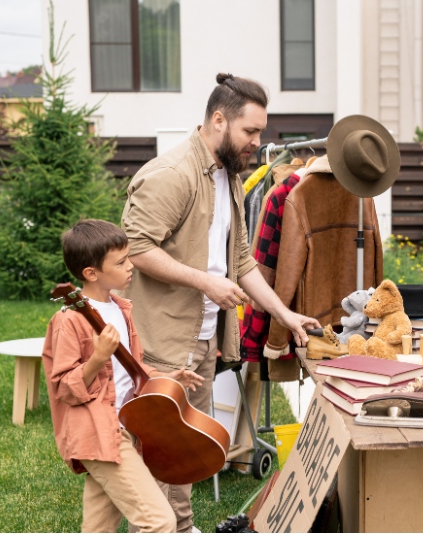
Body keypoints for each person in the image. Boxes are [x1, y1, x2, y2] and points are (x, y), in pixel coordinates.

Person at [120, 73, 320, 532]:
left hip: (200, 339)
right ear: (217, 120)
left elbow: (243, 261)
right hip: (160, 339)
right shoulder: (172, 175)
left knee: (183, 451)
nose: (257, 142)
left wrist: (284, 314)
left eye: (260, 132)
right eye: (250, 131)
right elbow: (134, 247)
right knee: (155, 452)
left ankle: (182, 525)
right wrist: (205, 283)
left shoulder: (228, 177)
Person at [42, 219, 205, 532]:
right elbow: (63, 387)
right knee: (159, 521)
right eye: (120, 262)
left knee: (99, 525)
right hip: (100, 435)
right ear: (91, 273)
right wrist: (97, 358)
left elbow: (133, 370)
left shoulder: (120, 307)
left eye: (128, 257)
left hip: (127, 426)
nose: (131, 265)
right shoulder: (70, 321)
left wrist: (170, 378)